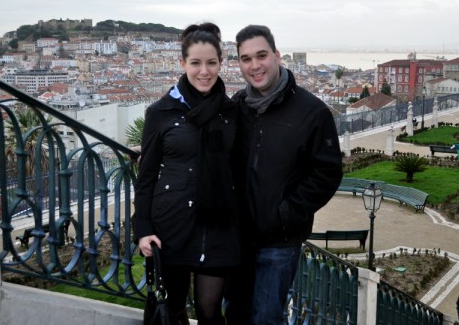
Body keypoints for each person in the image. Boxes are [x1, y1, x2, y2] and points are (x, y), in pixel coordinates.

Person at [225, 25, 343, 325]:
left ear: (277, 56)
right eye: (246, 59)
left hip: (279, 240)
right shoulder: (238, 106)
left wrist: (286, 214)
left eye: (261, 55)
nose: (255, 65)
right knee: (236, 312)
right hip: (238, 237)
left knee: (266, 317)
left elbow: (327, 173)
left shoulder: (312, 112)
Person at [132, 22, 240, 325]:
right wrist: (143, 229)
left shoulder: (231, 113)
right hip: (171, 225)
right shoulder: (161, 112)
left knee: (209, 312)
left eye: (211, 63)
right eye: (195, 63)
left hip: (218, 226)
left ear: (221, 63)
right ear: (183, 64)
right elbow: (147, 175)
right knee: (174, 308)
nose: (204, 71)